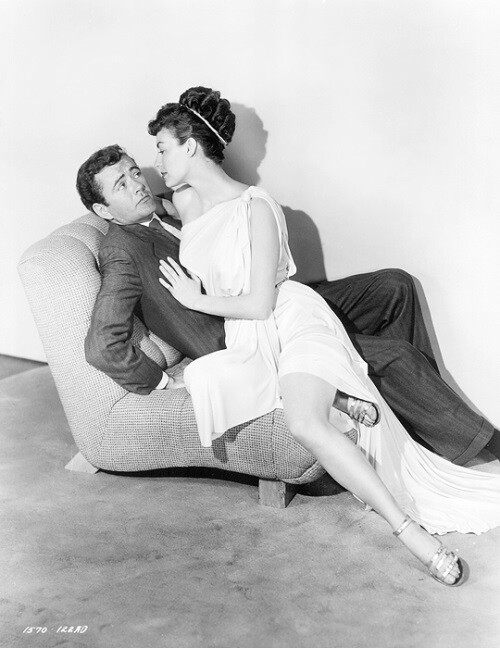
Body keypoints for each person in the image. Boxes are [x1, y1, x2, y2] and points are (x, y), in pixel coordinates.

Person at [148, 85, 500, 586]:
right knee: (224, 381)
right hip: (250, 339)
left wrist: (194, 299)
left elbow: (260, 303)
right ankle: (342, 400)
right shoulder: (185, 203)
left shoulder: (257, 207)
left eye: (162, 148)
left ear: (189, 146)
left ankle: (414, 536)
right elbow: (164, 219)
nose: (155, 161)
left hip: (292, 320)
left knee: (304, 423)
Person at [78, 146, 499, 467]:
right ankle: (483, 444)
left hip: (272, 301)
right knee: (395, 357)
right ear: (102, 210)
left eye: (135, 171)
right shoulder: (121, 251)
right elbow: (102, 345)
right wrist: (163, 383)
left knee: (395, 286)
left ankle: (412, 428)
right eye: (121, 185)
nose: (137, 184)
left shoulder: (165, 209)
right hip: (246, 334)